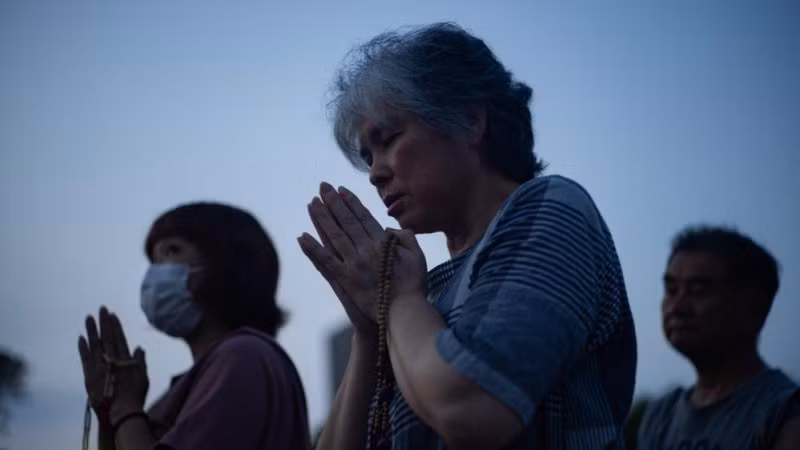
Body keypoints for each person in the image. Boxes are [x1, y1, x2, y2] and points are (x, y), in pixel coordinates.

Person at [299, 22, 637, 450]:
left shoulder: (552, 206)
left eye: (389, 139)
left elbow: (474, 408)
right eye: (368, 157)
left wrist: (400, 299)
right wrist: (369, 330)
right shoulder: (422, 305)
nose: (376, 173)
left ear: (469, 120)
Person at [78, 202, 311, 450]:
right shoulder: (204, 377)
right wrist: (110, 415)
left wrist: (126, 408)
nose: (155, 273)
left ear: (227, 260)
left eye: (172, 251)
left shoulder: (244, 356)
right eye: (153, 260)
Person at [637, 226, 800, 450]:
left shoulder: (784, 411)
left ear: (754, 309)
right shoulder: (659, 416)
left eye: (698, 291)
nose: (677, 307)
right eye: (672, 290)